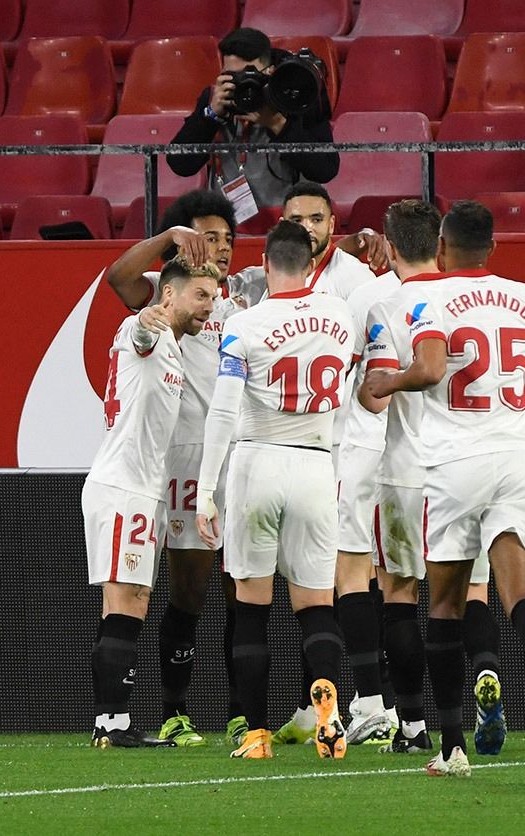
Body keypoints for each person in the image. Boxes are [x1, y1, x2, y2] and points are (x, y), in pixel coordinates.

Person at [365, 200, 525, 777]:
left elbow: (433, 368)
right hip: (519, 458)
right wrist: (513, 384)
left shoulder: (429, 297)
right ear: (493, 248)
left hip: (455, 463)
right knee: (520, 596)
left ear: (441, 247)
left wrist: (391, 380)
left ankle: (451, 747)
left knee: (444, 604)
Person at [103, 190, 260, 748]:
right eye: (207, 236)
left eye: (227, 239)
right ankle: (176, 710)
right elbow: (117, 279)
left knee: (246, 590)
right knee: (188, 593)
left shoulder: (244, 304)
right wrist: (167, 238)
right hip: (185, 460)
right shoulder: (167, 297)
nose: (220, 247)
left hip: (241, 458)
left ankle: (244, 713)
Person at [196, 221, 357, 760]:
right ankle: (329, 718)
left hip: (258, 461)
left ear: (265, 265)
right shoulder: (341, 316)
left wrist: (205, 490)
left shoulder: (245, 324)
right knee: (316, 606)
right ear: (311, 265)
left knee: (251, 607)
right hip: (317, 465)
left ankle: (257, 735)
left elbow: (222, 411)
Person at [360, 200, 507, 758]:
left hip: (403, 473)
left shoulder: (386, 305)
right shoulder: (471, 300)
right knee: (471, 591)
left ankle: (416, 725)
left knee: (399, 592)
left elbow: (374, 400)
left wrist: (368, 384)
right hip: (467, 468)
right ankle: (487, 675)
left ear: (391, 248)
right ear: (439, 246)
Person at [84, 257, 220, 748]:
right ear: (169, 295)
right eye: (200, 295)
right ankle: (113, 723)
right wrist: (145, 321)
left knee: (126, 602)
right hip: (125, 487)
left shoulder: (177, 349)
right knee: (127, 602)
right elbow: (136, 333)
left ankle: (109, 723)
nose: (210, 305)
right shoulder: (147, 330)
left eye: (213, 296)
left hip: (138, 488)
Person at [169, 27, 339, 213]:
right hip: (226, 227)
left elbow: (325, 169)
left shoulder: (295, 97)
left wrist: (277, 124)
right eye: (233, 76)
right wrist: (211, 115)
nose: (244, 83)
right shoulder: (215, 98)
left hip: (288, 225)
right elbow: (180, 165)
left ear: (270, 71)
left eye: (250, 74)